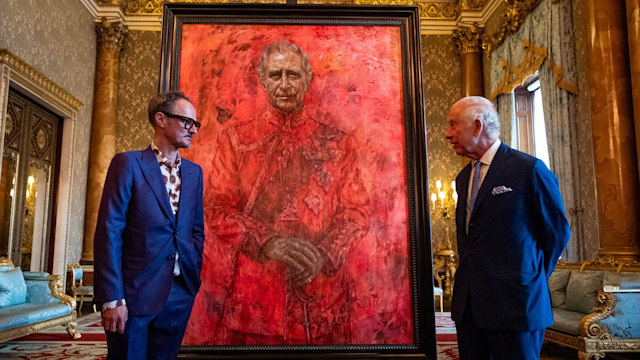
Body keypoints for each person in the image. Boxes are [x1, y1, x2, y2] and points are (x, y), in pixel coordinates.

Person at [190, 40, 369, 345]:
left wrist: (323, 256)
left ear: (308, 80)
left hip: (323, 297)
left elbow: (357, 211)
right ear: (262, 80)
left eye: (293, 75)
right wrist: (268, 243)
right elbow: (218, 208)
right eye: (276, 75)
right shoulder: (235, 140)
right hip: (256, 296)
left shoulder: (339, 142)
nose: (284, 84)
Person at [445, 96, 570, 359]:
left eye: (453, 125)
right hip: (469, 308)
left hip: (516, 306)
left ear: (477, 126)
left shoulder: (529, 170)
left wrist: (527, 278)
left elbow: (556, 233)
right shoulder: (463, 178)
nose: (448, 134)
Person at [93, 91, 205, 359]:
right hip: (133, 296)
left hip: (179, 293)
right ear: (161, 119)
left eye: (195, 124)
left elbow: (195, 230)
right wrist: (112, 298)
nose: (193, 130)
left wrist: (191, 276)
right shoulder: (128, 164)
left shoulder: (194, 173)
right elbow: (109, 232)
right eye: (186, 122)